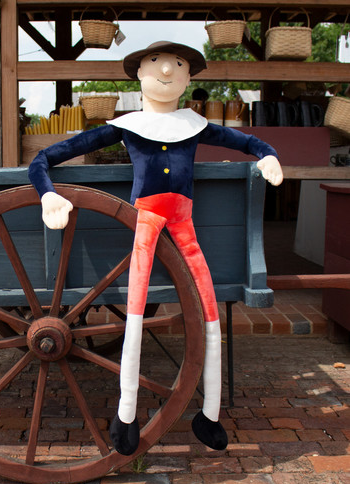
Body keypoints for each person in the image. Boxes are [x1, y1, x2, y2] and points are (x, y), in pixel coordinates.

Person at [28, 41, 283, 456]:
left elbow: (247, 140)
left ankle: (211, 414)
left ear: (187, 78)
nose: (166, 69)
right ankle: (125, 416)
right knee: (134, 310)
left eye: (178, 65)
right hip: (145, 218)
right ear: (140, 74)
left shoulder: (194, 123)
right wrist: (47, 194)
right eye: (157, 63)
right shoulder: (128, 125)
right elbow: (45, 157)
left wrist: (268, 155)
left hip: (183, 219)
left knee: (209, 309)